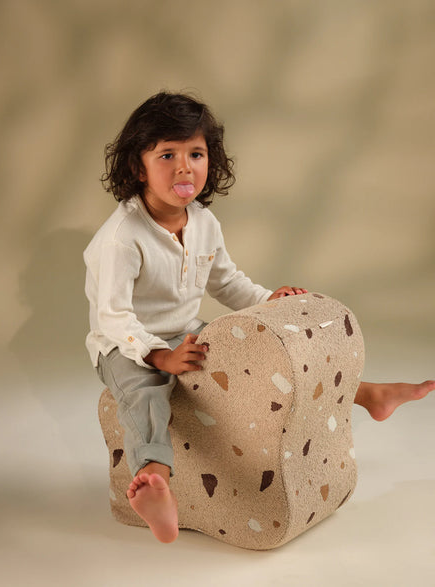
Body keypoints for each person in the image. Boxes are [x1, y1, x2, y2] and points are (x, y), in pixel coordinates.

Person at [84, 91, 434, 544]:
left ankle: (365, 393)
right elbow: (113, 317)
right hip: (126, 346)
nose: (184, 168)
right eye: (167, 155)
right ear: (138, 167)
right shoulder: (121, 238)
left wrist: (271, 299)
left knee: (246, 365)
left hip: (184, 334)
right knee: (146, 393)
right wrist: (158, 357)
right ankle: (155, 481)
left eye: (195, 154)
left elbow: (227, 282)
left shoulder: (203, 222)